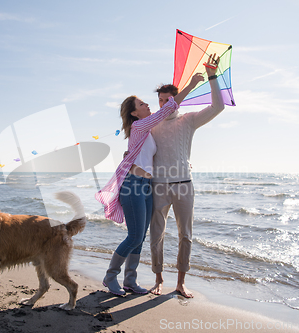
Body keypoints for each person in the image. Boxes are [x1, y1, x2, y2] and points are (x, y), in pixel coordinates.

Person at [96, 73, 205, 296]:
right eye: (142, 104)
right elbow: (167, 109)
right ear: (134, 113)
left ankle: (130, 281)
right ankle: (110, 276)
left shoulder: (148, 131)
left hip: (147, 186)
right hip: (133, 185)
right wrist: (192, 85)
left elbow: (152, 154)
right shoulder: (139, 127)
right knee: (134, 236)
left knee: (141, 236)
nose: (148, 105)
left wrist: (183, 162)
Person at [150, 54, 225, 298]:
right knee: (156, 234)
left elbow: (218, 107)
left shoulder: (188, 120)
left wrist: (212, 75)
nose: (163, 105)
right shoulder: (151, 124)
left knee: (186, 235)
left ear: (177, 101)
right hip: (159, 186)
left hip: (184, 185)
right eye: (160, 101)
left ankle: (181, 282)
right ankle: (158, 278)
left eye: (168, 100)